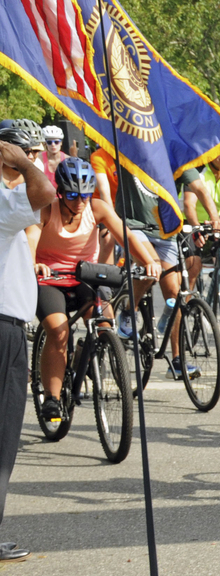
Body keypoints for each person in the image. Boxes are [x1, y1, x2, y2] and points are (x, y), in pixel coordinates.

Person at [31, 158, 159, 425]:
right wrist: (34, 263)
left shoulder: (97, 208)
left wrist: (147, 260)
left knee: (104, 323)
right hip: (50, 278)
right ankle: (52, 398)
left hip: (84, 275)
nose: (80, 201)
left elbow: (127, 236)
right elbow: (30, 238)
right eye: (72, 195)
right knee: (58, 329)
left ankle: (84, 355)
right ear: (60, 193)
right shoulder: (46, 210)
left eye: (85, 195)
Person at [91, 147, 218, 377]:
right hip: (134, 226)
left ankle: (177, 361)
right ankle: (130, 309)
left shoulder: (173, 155)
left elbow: (199, 188)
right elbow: (106, 192)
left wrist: (216, 219)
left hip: (166, 231)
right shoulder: (128, 150)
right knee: (152, 267)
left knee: (174, 293)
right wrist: (111, 220)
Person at [0, 136, 50, 563]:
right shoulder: (3, 196)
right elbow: (46, 192)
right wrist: (24, 165)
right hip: (2, 326)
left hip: (8, 323)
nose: (35, 160)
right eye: (26, 151)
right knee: (2, 435)